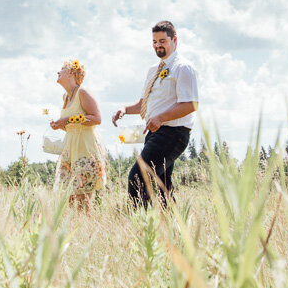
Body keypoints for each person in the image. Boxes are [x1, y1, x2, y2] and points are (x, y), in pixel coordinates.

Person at [113, 20, 198, 206]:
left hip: (173, 133)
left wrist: (160, 117)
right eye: (154, 41)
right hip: (154, 133)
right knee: (163, 187)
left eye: (162, 41)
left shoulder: (183, 67)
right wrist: (125, 109)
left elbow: (190, 104)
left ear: (174, 39)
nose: (157, 45)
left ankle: (138, 223)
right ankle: (172, 228)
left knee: (138, 176)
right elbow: (146, 102)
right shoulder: (153, 70)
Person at [49, 58, 107, 207]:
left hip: (85, 150)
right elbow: (72, 125)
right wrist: (60, 125)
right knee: (68, 200)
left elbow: (97, 118)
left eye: (61, 69)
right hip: (70, 151)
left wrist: (67, 120)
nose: (58, 72)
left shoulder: (83, 92)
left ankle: (90, 229)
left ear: (71, 73)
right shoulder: (65, 97)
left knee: (83, 202)